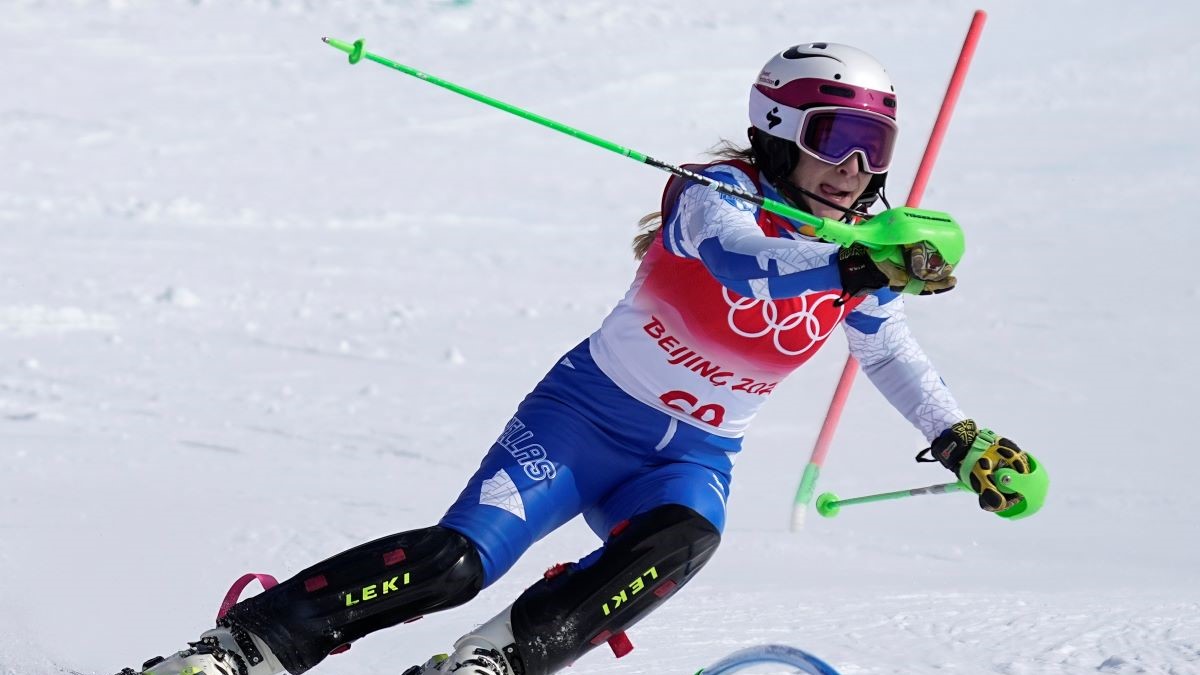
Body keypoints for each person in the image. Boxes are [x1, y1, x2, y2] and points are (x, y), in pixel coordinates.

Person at [119, 42, 1037, 675]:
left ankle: (491, 662)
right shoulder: (714, 193)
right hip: (583, 421)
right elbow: (738, 260)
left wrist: (956, 437)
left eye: (875, 149)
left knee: (685, 538)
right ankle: (244, 648)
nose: (855, 170)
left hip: (693, 455)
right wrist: (849, 263)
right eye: (836, 140)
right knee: (456, 563)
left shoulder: (865, 244)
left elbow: (889, 350)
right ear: (775, 129)